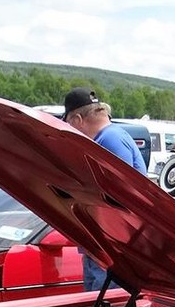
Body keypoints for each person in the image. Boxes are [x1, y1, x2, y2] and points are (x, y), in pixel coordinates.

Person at [62, 87, 147, 290]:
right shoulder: (109, 137)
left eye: (68, 123)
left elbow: (121, 193)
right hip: (101, 244)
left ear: (77, 120)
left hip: (110, 245)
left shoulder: (110, 139)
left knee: (104, 304)